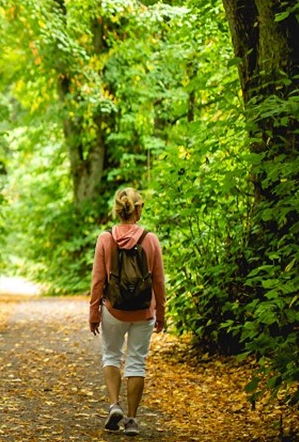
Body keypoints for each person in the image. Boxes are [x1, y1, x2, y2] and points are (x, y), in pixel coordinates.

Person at [89, 187, 166, 436]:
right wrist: (161, 313)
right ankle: (132, 420)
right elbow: (159, 282)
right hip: (144, 311)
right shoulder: (151, 239)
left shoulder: (106, 238)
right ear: (138, 209)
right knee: (136, 363)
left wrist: (94, 313)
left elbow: (98, 281)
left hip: (113, 309)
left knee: (111, 356)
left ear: (117, 209)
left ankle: (114, 406)